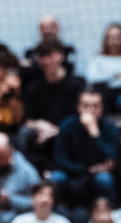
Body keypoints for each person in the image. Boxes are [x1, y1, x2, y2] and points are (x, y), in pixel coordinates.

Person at [51, 88, 120, 209]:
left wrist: (95, 133)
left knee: (105, 179)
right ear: (78, 107)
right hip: (72, 171)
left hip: (97, 174)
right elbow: (59, 158)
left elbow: (111, 156)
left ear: (101, 108)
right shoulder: (67, 125)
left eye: (95, 106)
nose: (90, 110)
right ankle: (56, 214)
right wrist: (86, 169)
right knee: (56, 178)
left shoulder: (110, 127)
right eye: (86, 106)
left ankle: (110, 213)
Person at [20, 39, 84, 167]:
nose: (46, 61)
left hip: (68, 131)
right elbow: (27, 119)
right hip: (41, 133)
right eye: (42, 57)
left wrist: (56, 130)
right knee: (24, 133)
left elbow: (80, 116)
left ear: (60, 56)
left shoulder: (77, 84)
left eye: (50, 56)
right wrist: (40, 124)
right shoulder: (34, 87)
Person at [85, 23, 121, 111]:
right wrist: (115, 75)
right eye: (111, 38)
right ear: (106, 39)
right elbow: (92, 77)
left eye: (118, 38)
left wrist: (104, 77)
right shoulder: (96, 59)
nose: (114, 41)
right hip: (100, 95)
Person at [0, 133, 40, 223]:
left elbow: (37, 202)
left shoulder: (27, 172)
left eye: (2, 157)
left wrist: (10, 199)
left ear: (11, 151)